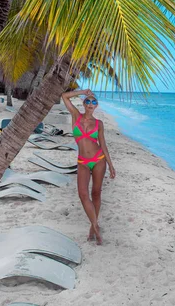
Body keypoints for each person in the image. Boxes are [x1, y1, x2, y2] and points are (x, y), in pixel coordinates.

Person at [62, 88, 116, 245]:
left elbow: (103, 145)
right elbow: (64, 96)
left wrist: (111, 165)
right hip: (82, 162)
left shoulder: (99, 124)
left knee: (96, 193)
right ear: (84, 103)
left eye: (94, 102)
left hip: (99, 160)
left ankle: (93, 228)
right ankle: (95, 225)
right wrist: (82, 92)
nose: (91, 103)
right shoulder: (76, 116)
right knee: (83, 194)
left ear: (97, 106)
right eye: (88, 101)